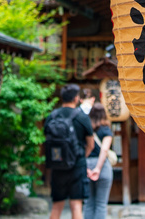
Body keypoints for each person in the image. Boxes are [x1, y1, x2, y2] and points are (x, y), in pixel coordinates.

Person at [48, 84, 94, 219]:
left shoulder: (53, 116)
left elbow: (47, 140)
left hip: (57, 164)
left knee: (57, 205)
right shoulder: (82, 117)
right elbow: (90, 144)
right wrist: (80, 157)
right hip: (77, 165)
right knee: (76, 205)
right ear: (76, 98)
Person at [84, 103, 113, 219]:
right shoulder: (106, 130)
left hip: (86, 164)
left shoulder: (86, 129)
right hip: (103, 167)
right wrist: (98, 168)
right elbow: (104, 149)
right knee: (101, 204)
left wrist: (85, 167)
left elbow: (83, 148)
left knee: (88, 203)